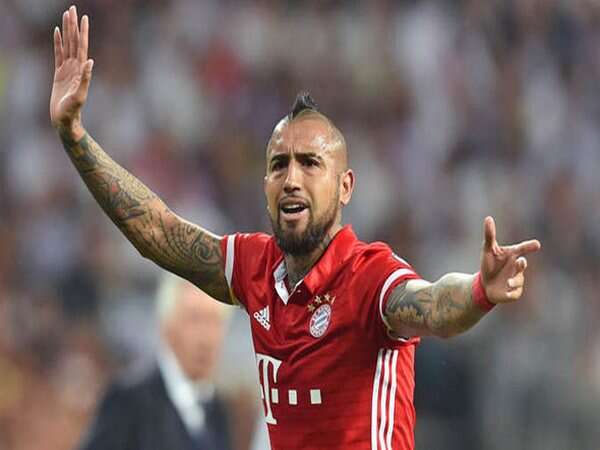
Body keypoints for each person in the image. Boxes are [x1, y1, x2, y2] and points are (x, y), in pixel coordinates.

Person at [50, 6, 541, 450]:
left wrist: (479, 291)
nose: (291, 179)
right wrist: (74, 136)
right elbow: (158, 231)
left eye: (310, 163)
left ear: (345, 186)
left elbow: (433, 304)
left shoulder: (368, 276)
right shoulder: (254, 267)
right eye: (278, 164)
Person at [78, 273, 234, 450]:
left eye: (215, 322)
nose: (206, 337)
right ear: (166, 326)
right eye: (194, 319)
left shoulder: (218, 410)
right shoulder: (131, 400)